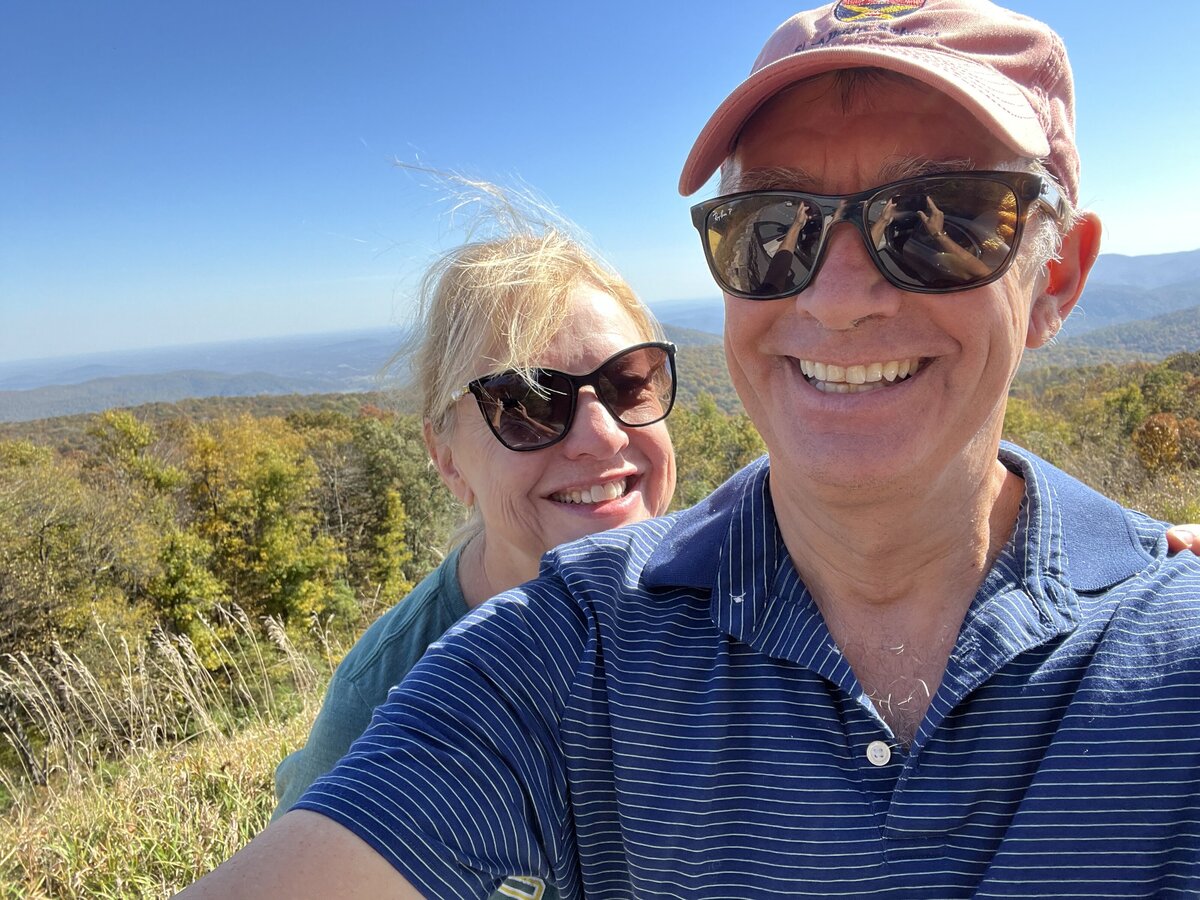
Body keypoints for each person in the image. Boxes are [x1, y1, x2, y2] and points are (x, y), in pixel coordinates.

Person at [181, 3, 1200, 896]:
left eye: (943, 222)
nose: (837, 297)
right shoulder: (560, 650)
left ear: (1057, 276)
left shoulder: (1173, 638)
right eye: (772, 227)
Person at [269, 226, 677, 900]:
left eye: (629, 382)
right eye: (526, 402)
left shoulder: (742, 597)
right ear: (448, 457)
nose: (602, 435)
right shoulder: (384, 699)